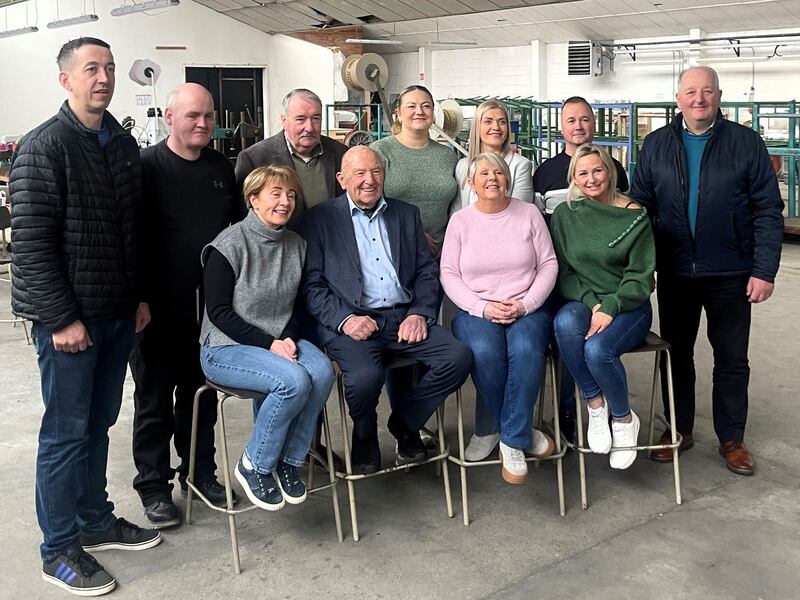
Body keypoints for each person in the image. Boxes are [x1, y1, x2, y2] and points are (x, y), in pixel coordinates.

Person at [9, 37, 160, 597]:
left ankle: (95, 520)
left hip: (118, 315)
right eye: (91, 69)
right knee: (65, 434)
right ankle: (58, 549)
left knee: (99, 426)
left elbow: (134, 231)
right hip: (70, 324)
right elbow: (31, 244)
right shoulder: (43, 147)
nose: (103, 77)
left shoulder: (119, 143)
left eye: (110, 68)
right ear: (65, 79)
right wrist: (60, 318)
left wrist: (139, 296)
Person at [630, 66, 784, 476]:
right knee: (676, 354)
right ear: (678, 98)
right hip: (676, 271)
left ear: (719, 96)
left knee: (732, 358)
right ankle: (678, 430)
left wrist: (764, 269)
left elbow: (769, 210)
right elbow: (639, 207)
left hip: (732, 271)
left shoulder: (745, 143)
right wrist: (637, 269)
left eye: (707, 92)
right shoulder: (657, 145)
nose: (699, 99)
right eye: (691, 92)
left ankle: (732, 438)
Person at [301, 146, 472, 474]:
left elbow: (425, 270)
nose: (369, 180)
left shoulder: (405, 214)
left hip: (403, 316)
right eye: (359, 173)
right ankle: (364, 433)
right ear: (342, 179)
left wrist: (419, 312)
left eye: (376, 172)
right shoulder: (321, 218)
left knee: (458, 357)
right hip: (353, 320)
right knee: (365, 378)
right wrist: (345, 319)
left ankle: (404, 421)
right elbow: (313, 285)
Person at [129, 83, 243, 529]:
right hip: (156, 311)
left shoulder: (220, 168)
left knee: (201, 400)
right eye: (193, 115)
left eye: (209, 116)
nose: (202, 123)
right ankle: (154, 488)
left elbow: (234, 237)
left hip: (209, 312)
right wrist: (137, 297)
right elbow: (132, 239)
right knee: (154, 401)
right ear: (170, 116)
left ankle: (199, 475)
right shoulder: (146, 167)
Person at [199, 165, 334, 510]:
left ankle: (290, 460)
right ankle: (255, 463)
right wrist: (270, 344)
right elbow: (219, 312)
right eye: (275, 194)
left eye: (290, 195)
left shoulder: (296, 245)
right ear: (253, 199)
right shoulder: (228, 245)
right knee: (293, 382)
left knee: (321, 372)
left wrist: (286, 337)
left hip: (277, 340)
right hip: (226, 347)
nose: (285, 201)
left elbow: (298, 305)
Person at [440, 152, 556, 483]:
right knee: (485, 353)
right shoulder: (461, 221)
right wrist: (482, 307)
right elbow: (449, 273)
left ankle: (509, 437)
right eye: (484, 173)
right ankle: (517, 432)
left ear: (508, 179)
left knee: (526, 351)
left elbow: (548, 264)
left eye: (499, 172)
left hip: (526, 306)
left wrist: (526, 304)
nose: (493, 178)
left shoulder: (529, 214)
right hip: (476, 308)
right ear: (471, 183)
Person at [533, 95, 630, 446]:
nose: (579, 126)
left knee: (597, 345)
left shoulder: (614, 169)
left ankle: (607, 411)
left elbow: (621, 224)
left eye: (585, 119)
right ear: (561, 127)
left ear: (594, 123)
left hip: (607, 283)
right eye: (571, 120)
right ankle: (568, 418)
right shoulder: (544, 171)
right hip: (562, 278)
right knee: (565, 342)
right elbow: (542, 229)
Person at [551, 145, 655, 470]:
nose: (592, 178)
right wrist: (594, 304)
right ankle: (595, 403)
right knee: (565, 324)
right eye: (583, 173)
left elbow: (640, 276)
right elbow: (564, 271)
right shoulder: (565, 215)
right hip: (587, 302)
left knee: (597, 351)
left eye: (598, 170)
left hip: (629, 305)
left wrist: (611, 305)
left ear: (609, 171)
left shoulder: (633, 215)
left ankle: (623, 419)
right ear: (574, 179)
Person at [235, 88, 347, 228]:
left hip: (328, 244)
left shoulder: (340, 153)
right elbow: (243, 218)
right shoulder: (254, 159)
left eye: (316, 118)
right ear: (284, 120)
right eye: (301, 119)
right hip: (280, 246)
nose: (310, 127)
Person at [371, 84, 458, 259]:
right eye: (411, 106)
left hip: (441, 255)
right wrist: (414, 234)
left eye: (426, 106)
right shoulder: (380, 151)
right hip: (393, 251)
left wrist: (451, 243)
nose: (419, 111)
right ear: (399, 114)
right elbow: (368, 206)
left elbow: (455, 208)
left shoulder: (448, 155)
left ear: (433, 114)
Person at [454, 99, 533, 209]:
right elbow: (457, 212)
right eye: (488, 121)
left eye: (502, 122)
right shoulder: (462, 166)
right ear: (477, 127)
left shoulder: (521, 165)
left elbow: (519, 212)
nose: (496, 127)